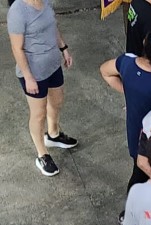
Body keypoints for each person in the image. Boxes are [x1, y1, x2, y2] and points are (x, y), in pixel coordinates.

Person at [7, 0, 78, 176]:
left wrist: (64, 48)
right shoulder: (18, 11)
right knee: (38, 114)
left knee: (57, 101)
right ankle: (42, 154)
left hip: (53, 65)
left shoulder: (46, 2)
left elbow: (52, 26)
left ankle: (53, 135)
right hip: (34, 72)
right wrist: (28, 76)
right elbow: (17, 48)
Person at [100, 31, 151, 192]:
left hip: (134, 135)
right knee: (142, 176)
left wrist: (130, 93)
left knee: (138, 170)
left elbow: (105, 71)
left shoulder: (126, 61)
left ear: (144, 42)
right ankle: (132, 209)